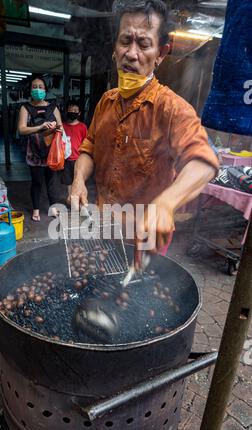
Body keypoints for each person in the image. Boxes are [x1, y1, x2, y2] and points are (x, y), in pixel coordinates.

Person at [70, 0, 219, 254]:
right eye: (125, 41)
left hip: (145, 239)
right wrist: (78, 180)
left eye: (144, 44)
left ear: (161, 53)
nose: (131, 53)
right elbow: (89, 147)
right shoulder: (106, 102)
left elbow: (203, 163)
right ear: (115, 49)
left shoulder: (172, 109)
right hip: (103, 225)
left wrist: (166, 204)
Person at [18, 74, 63, 222]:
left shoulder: (53, 107)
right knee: (37, 182)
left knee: (51, 182)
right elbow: (22, 129)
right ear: (30, 90)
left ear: (46, 89)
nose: (38, 90)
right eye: (34, 87)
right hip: (34, 152)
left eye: (41, 87)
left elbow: (61, 127)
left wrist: (57, 128)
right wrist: (40, 127)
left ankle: (52, 208)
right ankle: (36, 209)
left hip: (51, 151)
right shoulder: (25, 108)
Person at [61, 101, 87, 202]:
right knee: (69, 182)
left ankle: (81, 200)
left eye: (75, 110)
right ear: (66, 112)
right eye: (70, 110)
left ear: (79, 113)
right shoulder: (62, 126)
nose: (72, 112)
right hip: (66, 159)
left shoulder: (83, 127)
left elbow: (86, 143)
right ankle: (72, 200)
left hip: (79, 159)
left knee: (79, 180)